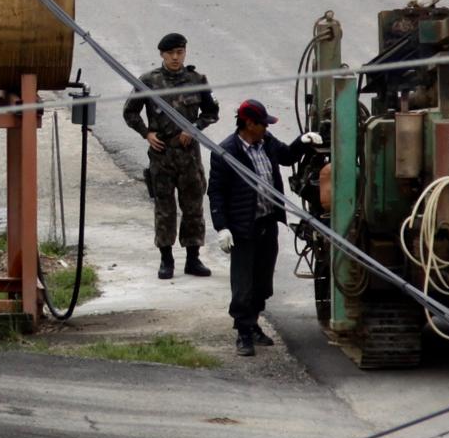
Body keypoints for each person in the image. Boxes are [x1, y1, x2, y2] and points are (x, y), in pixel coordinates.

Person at [208, 99, 321, 356]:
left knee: (262, 282)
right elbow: (216, 192)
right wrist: (222, 227)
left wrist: (302, 142)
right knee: (243, 283)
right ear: (249, 123)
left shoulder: (266, 142)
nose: (266, 129)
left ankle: (254, 322)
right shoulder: (226, 152)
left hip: (266, 223)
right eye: (262, 124)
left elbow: (286, 156)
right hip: (243, 228)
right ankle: (244, 333)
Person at [122, 32, 220, 280]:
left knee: (193, 208)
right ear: (162, 55)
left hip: (189, 157)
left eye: (180, 52)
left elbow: (211, 112)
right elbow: (130, 112)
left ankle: (193, 258)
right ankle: (166, 260)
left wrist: (194, 128)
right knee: (164, 210)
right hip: (161, 156)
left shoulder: (197, 80)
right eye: (171, 53)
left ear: (185, 53)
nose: (176, 58)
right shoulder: (149, 82)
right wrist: (146, 133)